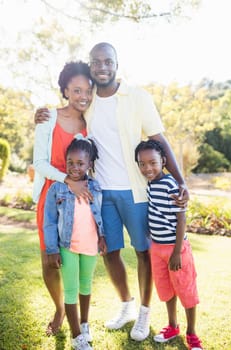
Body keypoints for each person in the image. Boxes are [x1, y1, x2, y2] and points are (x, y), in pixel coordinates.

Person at [34, 42, 189, 342]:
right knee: (110, 253)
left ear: (117, 64)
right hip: (101, 193)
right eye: (97, 62)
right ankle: (127, 306)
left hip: (136, 192)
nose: (102, 67)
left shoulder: (137, 97)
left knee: (144, 253)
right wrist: (41, 113)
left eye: (108, 61)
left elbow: (159, 138)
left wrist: (180, 180)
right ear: (91, 66)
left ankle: (144, 314)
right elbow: (67, 106)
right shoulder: (87, 103)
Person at [33, 61, 94, 336]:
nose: (83, 96)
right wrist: (67, 180)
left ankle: (74, 313)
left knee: (72, 257)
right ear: (66, 90)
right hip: (51, 193)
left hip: (78, 200)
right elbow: (40, 163)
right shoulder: (48, 119)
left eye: (87, 90)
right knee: (49, 258)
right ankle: (59, 308)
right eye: (77, 90)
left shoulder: (89, 123)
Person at [135, 139, 203, 350]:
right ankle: (172, 326)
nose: (148, 168)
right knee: (165, 289)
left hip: (176, 249)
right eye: (142, 164)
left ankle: (192, 334)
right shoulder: (150, 184)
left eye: (153, 162)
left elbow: (181, 219)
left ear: (163, 160)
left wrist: (176, 252)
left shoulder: (170, 184)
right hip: (157, 249)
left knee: (186, 289)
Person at [44, 136, 107, 350]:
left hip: (90, 247)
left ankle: (84, 324)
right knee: (71, 290)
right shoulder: (57, 189)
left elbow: (100, 216)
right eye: (70, 162)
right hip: (67, 247)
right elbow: (50, 222)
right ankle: (76, 335)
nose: (74, 167)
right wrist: (52, 250)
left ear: (89, 164)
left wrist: (102, 237)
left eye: (80, 163)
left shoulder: (96, 187)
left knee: (86, 285)